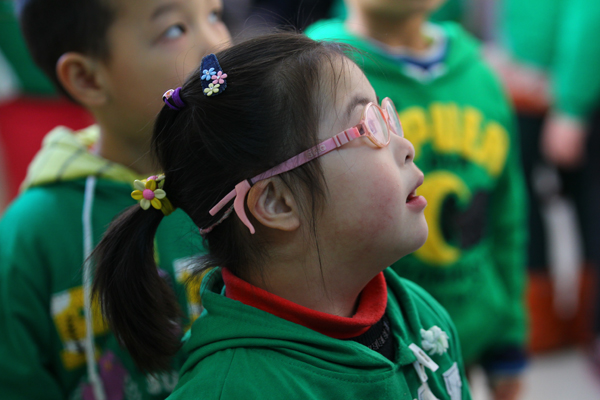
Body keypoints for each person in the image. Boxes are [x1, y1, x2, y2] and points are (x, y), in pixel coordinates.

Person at [92, 33, 472, 400]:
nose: (406, 147)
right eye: (368, 127)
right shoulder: (233, 391)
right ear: (277, 202)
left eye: (387, 119)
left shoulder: (420, 313)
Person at [0, 0, 230, 399]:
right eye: (175, 29)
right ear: (86, 78)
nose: (216, 44)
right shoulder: (30, 236)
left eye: (214, 15)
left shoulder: (252, 179)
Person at [306, 1, 528, 399]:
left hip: (474, 334)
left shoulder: (480, 74)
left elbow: (507, 214)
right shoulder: (312, 73)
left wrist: (508, 337)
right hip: (369, 353)